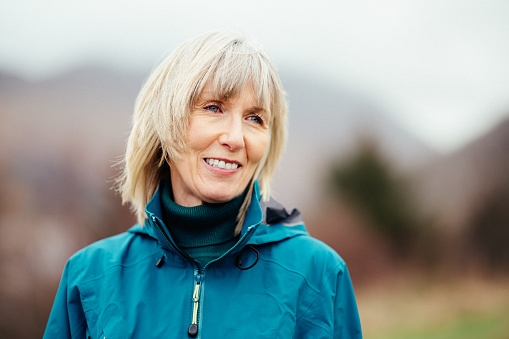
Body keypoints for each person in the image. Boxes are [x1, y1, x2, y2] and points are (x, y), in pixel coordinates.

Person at [44, 31, 362, 338]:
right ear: (164, 120)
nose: (236, 138)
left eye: (255, 118)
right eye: (213, 107)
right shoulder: (88, 278)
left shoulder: (320, 275)